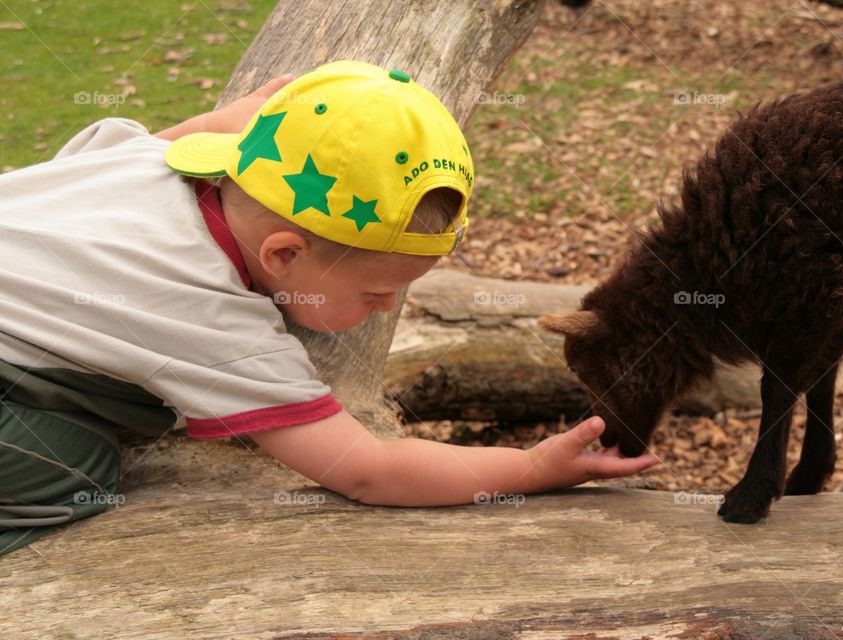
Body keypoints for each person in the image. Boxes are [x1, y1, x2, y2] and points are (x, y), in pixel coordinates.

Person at [0, 62, 659, 557]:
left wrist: (241, 118)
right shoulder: (213, 320)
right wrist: (531, 469)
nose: (387, 309)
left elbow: (180, 138)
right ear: (283, 254)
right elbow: (369, 471)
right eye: (375, 294)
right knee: (78, 465)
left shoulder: (146, 162)